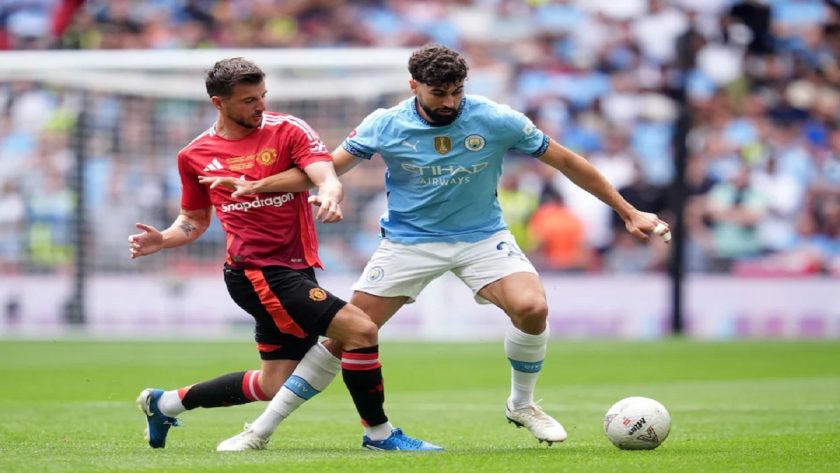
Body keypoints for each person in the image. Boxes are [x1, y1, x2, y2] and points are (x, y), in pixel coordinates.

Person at [202, 44, 671, 450]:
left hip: (482, 238)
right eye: (438, 94)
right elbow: (322, 170)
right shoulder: (386, 124)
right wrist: (255, 185)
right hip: (408, 243)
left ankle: (522, 405)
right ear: (414, 86)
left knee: (532, 308)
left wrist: (628, 211)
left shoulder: (496, 119)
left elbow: (568, 161)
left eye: (457, 92)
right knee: (344, 336)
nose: (449, 102)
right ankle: (260, 431)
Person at [128, 57, 439, 452]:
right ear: (218, 104)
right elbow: (193, 219)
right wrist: (165, 239)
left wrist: (328, 192)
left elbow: (323, 172)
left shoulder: (288, 129)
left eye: (262, 96)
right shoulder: (195, 154)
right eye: (248, 100)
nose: (259, 106)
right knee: (360, 331)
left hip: (297, 268)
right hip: (257, 272)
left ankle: (165, 402)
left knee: (273, 382)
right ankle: (379, 434)